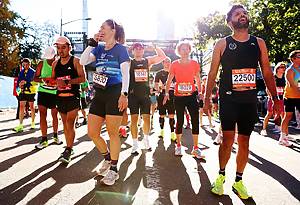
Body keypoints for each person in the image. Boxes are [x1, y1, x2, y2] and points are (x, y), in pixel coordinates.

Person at [203, 5, 280, 199]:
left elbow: (267, 71)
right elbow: (212, 73)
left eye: (244, 13)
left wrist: (275, 97)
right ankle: (220, 177)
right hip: (228, 99)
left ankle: (238, 181)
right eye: (238, 14)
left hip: (249, 100)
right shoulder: (222, 43)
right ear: (230, 22)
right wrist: (206, 99)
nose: (243, 15)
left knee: (245, 141)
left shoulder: (258, 42)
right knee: (227, 139)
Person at [80, 19, 130, 185]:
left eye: (103, 27)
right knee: (93, 132)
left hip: (115, 92)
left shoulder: (121, 49)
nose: (100, 29)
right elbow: (83, 61)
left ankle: (114, 170)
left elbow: (126, 74)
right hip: (99, 93)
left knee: (112, 133)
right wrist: (91, 44)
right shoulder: (99, 48)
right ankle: (108, 158)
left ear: (112, 30)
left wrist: (124, 94)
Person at [163, 41, 204, 159]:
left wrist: (200, 92)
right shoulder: (174, 64)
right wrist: (166, 93)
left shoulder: (195, 64)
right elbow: (169, 80)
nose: (185, 51)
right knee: (179, 120)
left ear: (189, 50)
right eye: (182, 49)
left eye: (187, 49)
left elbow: (198, 79)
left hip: (191, 96)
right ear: (179, 51)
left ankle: (195, 148)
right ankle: (179, 145)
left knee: (195, 120)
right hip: (179, 96)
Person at [52, 36, 86, 163]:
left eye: (63, 48)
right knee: (66, 125)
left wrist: (68, 81)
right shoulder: (55, 63)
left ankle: (68, 149)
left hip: (73, 97)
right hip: (60, 98)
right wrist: (52, 82)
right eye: (58, 48)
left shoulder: (76, 61)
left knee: (70, 123)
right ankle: (69, 148)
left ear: (69, 48)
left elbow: (83, 79)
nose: (61, 50)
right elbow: (53, 80)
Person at [128, 42, 166, 154]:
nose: (138, 50)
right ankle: (134, 144)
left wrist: (155, 47)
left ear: (143, 50)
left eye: (140, 48)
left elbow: (162, 57)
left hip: (145, 95)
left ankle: (146, 140)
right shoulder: (130, 62)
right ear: (133, 50)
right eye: (136, 48)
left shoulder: (147, 61)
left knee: (146, 119)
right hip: (133, 95)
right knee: (134, 120)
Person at [34, 46, 62, 149]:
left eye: (51, 57)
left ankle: (55, 136)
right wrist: (44, 80)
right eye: (47, 57)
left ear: (55, 55)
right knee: (42, 115)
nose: (49, 59)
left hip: (55, 93)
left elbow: (63, 78)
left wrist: (55, 81)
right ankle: (44, 139)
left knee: (55, 115)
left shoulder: (59, 63)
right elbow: (35, 78)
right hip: (43, 92)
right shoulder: (41, 63)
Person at [280, 50, 300, 146]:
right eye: (299, 56)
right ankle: (283, 138)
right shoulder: (290, 71)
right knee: (288, 116)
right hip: (290, 97)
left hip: (299, 96)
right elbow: (292, 86)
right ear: (293, 59)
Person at [260, 62, 286, 136]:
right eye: (281, 67)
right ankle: (264, 129)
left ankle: (283, 132)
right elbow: (268, 89)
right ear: (277, 68)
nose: (283, 68)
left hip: (282, 98)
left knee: (282, 114)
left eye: (284, 67)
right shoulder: (273, 77)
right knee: (269, 114)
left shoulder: (284, 78)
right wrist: (271, 98)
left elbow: (285, 88)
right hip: (273, 98)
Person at [154, 57, 176, 141]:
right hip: (162, 95)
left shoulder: (174, 73)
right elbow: (156, 84)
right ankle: (161, 131)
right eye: (166, 62)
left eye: (169, 61)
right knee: (162, 115)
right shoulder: (159, 73)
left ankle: (172, 134)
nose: (167, 63)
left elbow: (176, 84)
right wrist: (159, 89)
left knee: (171, 115)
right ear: (163, 63)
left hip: (172, 95)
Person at [13, 58, 38, 132]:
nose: (25, 66)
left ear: (30, 64)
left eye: (26, 64)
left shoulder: (33, 72)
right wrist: (19, 86)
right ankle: (20, 125)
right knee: (21, 107)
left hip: (31, 92)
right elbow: (18, 82)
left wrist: (26, 83)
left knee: (32, 107)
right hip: (23, 92)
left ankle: (33, 123)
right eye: (23, 65)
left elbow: (36, 83)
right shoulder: (21, 72)